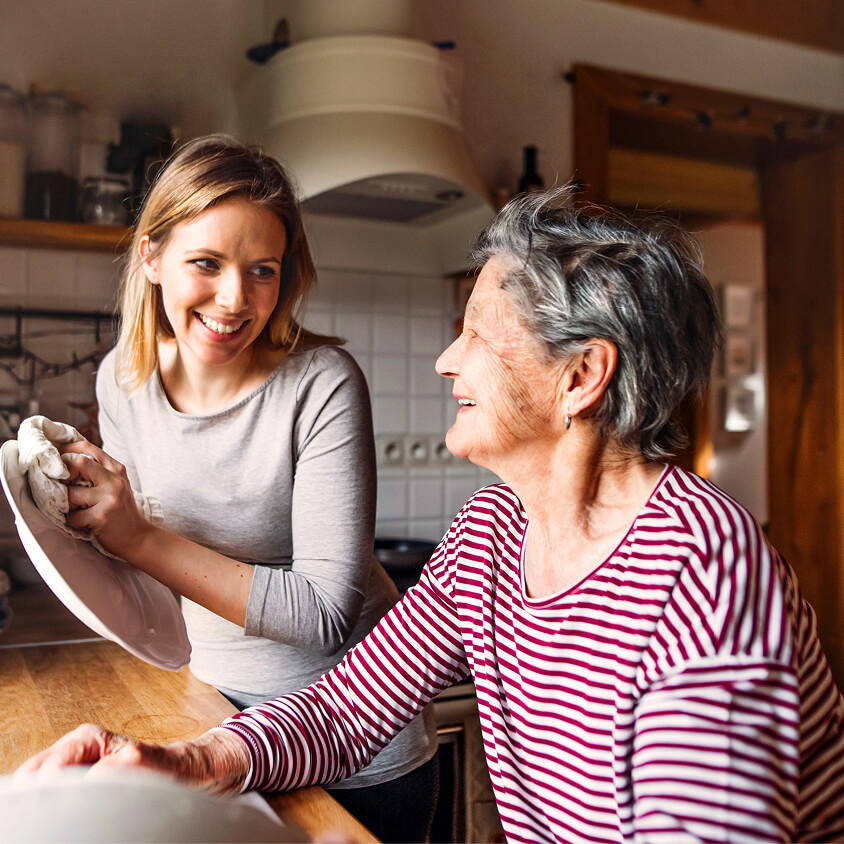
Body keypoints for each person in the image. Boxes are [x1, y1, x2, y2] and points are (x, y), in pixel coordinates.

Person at [20, 188, 844, 843]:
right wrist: (187, 761)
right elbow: (349, 707)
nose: (447, 359)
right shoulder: (494, 529)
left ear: (581, 376)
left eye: (477, 334)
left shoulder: (705, 573)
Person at [47, 135, 439, 843]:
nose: (235, 299)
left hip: (355, 748)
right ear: (151, 257)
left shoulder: (322, 385)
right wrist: (75, 513)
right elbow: (144, 569)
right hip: (215, 718)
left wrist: (135, 535)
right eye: (207, 263)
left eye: (263, 270)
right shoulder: (122, 381)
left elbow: (324, 614)